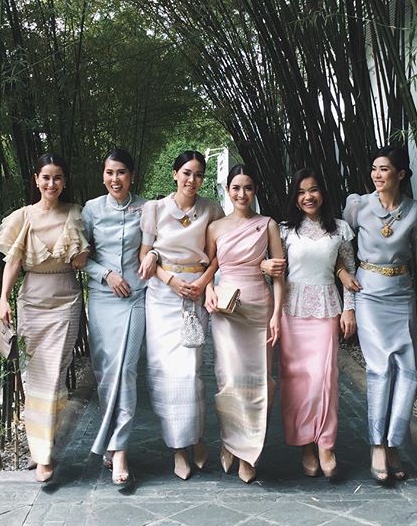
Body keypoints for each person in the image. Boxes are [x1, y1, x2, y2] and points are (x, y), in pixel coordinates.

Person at [342, 145, 417, 483]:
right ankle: (377, 446)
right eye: (374, 168)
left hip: (401, 293)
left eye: (384, 169)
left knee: (407, 371)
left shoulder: (416, 212)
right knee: (380, 368)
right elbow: (337, 240)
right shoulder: (358, 206)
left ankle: (394, 443)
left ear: (401, 174)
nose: (377, 175)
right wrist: (342, 274)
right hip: (369, 293)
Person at [0, 153, 89, 482]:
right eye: (46, 177)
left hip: (66, 300)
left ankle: (44, 451)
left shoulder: (75, 213)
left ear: (64, 182)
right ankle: (42, 449)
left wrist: (83, 253)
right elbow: (13, 262)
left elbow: (83, 259)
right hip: (32, 302)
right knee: (35, 377)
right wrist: (3, 299)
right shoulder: (22, 217)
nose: (52, 183)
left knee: (54, 375)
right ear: (36, 179)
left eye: (57, 177)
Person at [138, 150, 224, 480]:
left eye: (198, 174)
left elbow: (217, 256)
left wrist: (203, 282)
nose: (192, 179)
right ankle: (178, 449)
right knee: (164, 373)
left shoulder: (211, 210)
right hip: (162, 295)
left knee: (189, 373)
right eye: (187, 172)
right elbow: (145, 255)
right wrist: (170, 279)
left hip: (195, 293)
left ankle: (196, 438)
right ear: (175, 174)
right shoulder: (155, 209)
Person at [204, 165, 284, 483]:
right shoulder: (215, 227)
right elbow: (207, 267)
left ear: (254, 191)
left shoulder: (268, 224)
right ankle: (230, 441)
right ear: (227, 190)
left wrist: (277, 314)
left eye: (247, 188)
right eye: (236, 188)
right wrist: (208, 291)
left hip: (259, 307)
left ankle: (250, 453)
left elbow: (279, 275)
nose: (241, 194)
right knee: (229, 380)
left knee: (259, 381)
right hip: (226, 309)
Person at [274, 168, 356, 479]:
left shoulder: (340, 229)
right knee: (296, 381)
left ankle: (325, 444)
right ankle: (305, 444)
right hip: (292, 311)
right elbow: (273, 273)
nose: (308, 197)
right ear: (294, 198)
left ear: (323, 193)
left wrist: (349, 310)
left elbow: (350, 271)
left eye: (313, 190)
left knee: (324, 378)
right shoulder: (284, 231)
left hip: (326, 310)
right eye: (301, 192)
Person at [81, 148, 146, 486]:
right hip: (103, 298)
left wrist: (154, 255)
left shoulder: (147, 208)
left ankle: (119, 448)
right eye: (109, 172)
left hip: (135, 297)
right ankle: (110, 442)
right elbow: (79, 257)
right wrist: (106, 274)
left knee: (128, 370)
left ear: (131, 175)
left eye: (121, 172)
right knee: (106, 372)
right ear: (103, 175)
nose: (115, 178)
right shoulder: (91, 209)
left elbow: (157, 245)